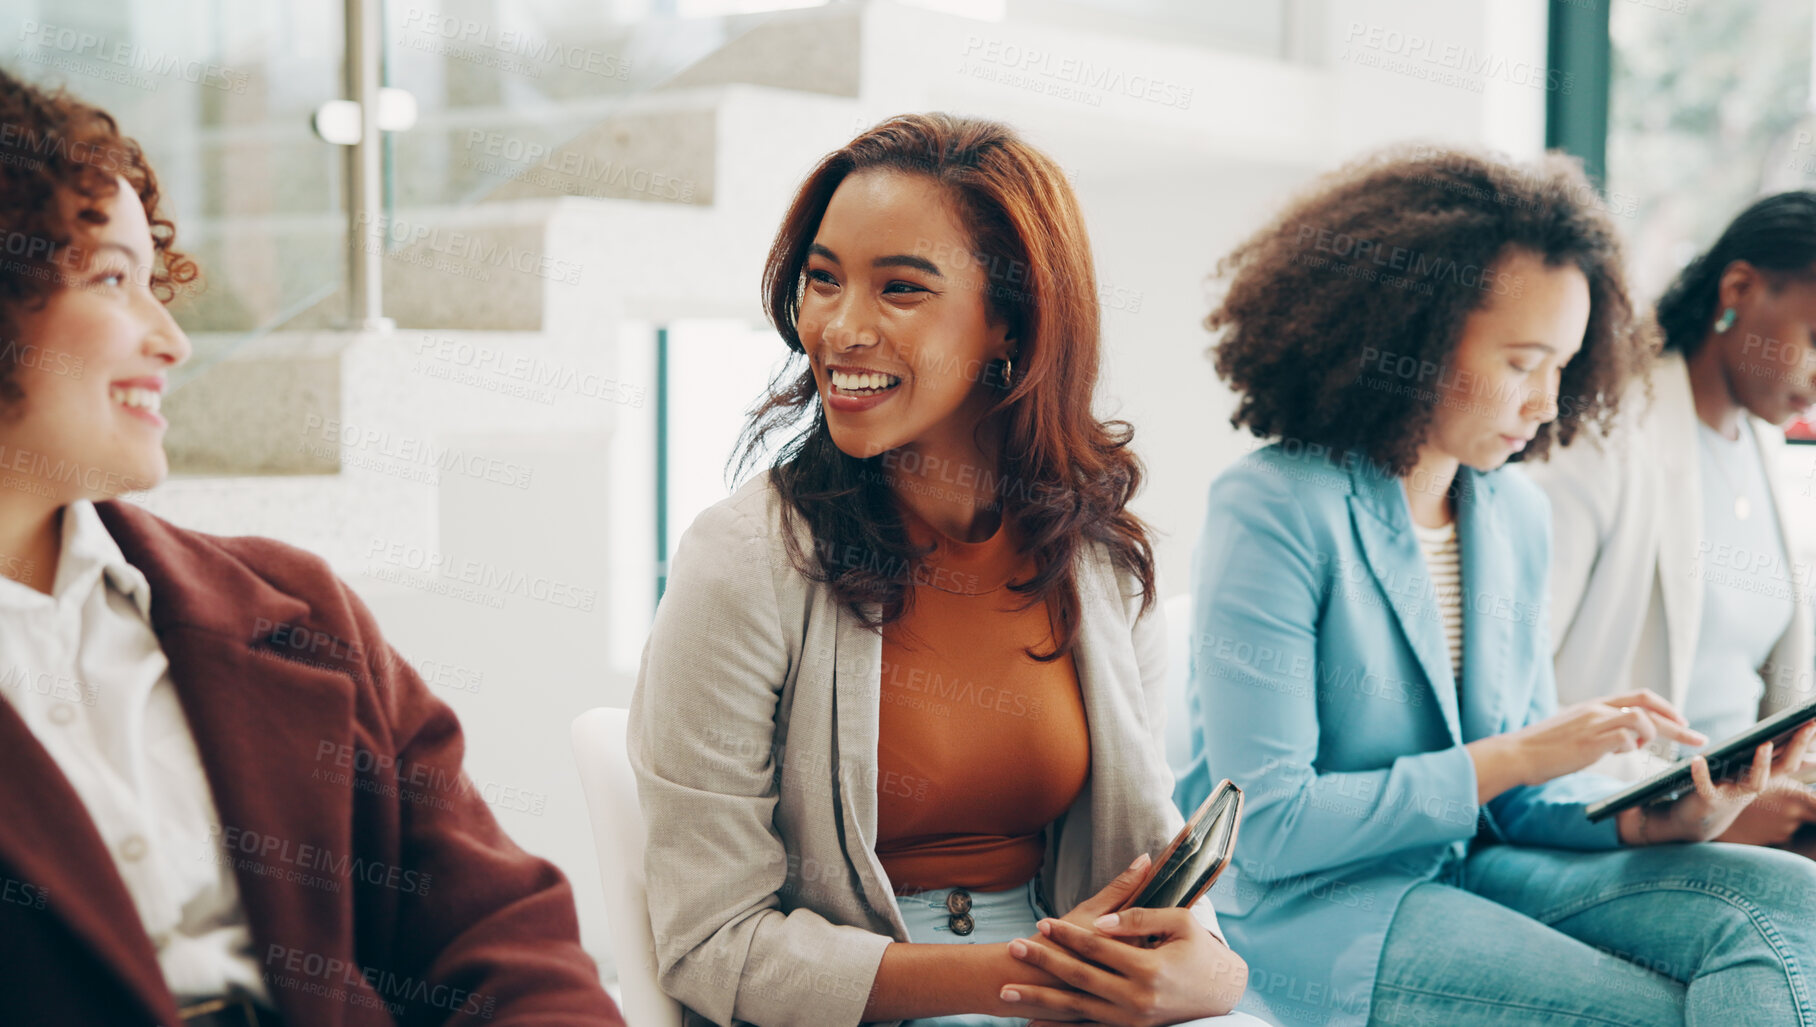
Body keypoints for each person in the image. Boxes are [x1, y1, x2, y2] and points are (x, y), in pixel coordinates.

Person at [1177, 146, 1816, 1026]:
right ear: (1410, 338)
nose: (1544, 403)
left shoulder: (1510, 512)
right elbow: (1265, 825)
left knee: (1795, 896)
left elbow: (1520, 801)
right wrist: (1516, 756)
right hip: (1315, 907)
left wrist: (1659, 818)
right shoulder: (1275, 506)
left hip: (1469, 865)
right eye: (1520, 363)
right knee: (1653, 1011)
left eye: (1562, 366)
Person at [0, 70, 624, 1026]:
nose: (172, 340)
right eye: (112, 278)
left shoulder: (298, 608)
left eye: (152, 281)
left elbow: (504, 934)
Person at [629, 113, 1267, 1027]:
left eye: (900, 289)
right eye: (823, 279)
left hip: (1065, 977)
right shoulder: (742, 561)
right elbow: (712, 941)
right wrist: (1021, 977)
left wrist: (1214, 973)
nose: (840, 327)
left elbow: (1147, 848)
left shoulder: (1096, 557)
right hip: (875, 999)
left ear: (1010, 321)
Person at [1527, 190, 1816, 1026]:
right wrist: (1702, 806)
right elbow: (1519, 709)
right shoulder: (1603, 436)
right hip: (1636, 819)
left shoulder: (1753, 443)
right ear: (1738, 290)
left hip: (1756, 800)